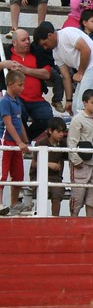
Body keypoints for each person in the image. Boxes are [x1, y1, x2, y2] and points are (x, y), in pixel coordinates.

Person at [33, 24, 93, 116]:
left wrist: (80, 72)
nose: (45, 47)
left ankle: (91, 128)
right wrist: (69, 100)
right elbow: (66, 77)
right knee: (75, 107)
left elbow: (86, 50)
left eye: (45, 43)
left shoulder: (67, 33)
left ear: (50, 35)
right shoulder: (55, 53)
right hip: (87, 71)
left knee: (82, 106)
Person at [0, 29, 54, 141]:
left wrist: (26, 70)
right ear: (14, 42)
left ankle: (26, 140)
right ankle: (24, 141)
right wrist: (3, 64)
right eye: (23, 40)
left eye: (28, 39)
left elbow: (47, 74)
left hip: (37, 100)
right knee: (18, 114)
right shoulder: (5, 54)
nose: (28, 42)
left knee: (47, 117)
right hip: (17, 98)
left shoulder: (37, 52)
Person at [67, 89, 93, 217]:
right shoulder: (78, 119)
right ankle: (74, 221)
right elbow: (72, 141)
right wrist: (76, 161)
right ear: (84, 103)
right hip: (81, 163)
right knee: (78, 195)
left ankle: (90, 222)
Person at [0, 70, 29, 216]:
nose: (23, 88)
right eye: (20, 85)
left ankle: (14, 204)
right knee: (2, 174)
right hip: (5, 141)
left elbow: (19, 122)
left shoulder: (16, 101)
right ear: (10, 84)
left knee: (18, 174)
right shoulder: (5, 101)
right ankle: (0, 204)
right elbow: (8, 123)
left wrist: (25, 141)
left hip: (15, 143)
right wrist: (19, 141)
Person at [29, 118, 67, 217]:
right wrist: (49, 164)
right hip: (38, 176)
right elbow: (34, 164)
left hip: (56, 178)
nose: (61, 134)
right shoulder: (40, 143)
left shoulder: (63, 144)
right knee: (42, 192)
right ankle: (40, 217)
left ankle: (55, 218)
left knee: (57, 192)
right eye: (58, 131)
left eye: (63, 132)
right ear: (50, 131)